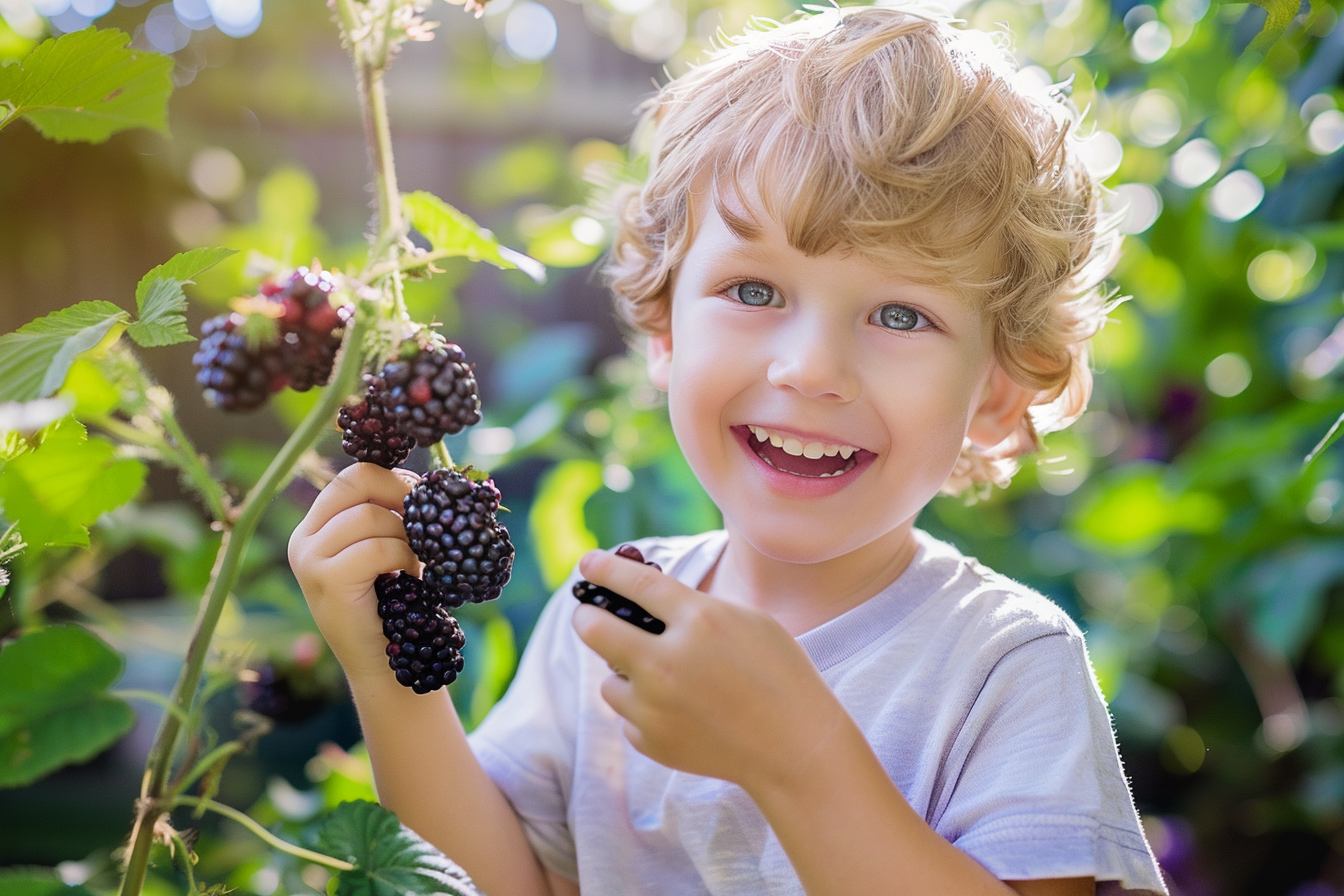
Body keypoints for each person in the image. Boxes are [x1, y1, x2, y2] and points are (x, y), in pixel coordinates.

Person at [289, 5, 1169, 895]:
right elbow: (495, 885)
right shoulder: (606, 624)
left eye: (901, 314)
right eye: (754, 289)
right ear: (665, 326)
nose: (811, 368)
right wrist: (391, 663)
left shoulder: (1004, 666)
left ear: (999, 389)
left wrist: (799, 758)